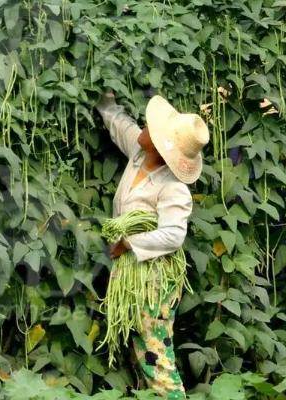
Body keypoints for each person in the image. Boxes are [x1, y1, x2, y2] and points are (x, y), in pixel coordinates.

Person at [95, 92, 209, 399]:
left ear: (160, 147)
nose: (142, 127)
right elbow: (120, 123)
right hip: (136, 273)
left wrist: (128, 243)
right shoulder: (139, 152)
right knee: (142, 352)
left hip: (155, 280)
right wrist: (103, 100)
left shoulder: (173, 187)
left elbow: (173, 235)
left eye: (150, 128)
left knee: (155, 356)